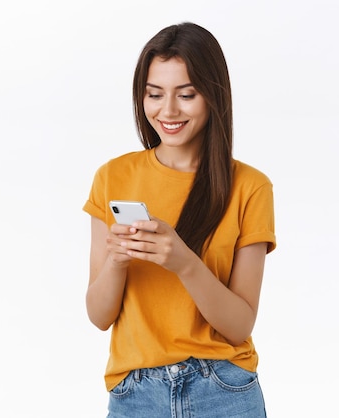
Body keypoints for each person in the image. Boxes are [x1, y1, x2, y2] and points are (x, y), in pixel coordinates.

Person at [83, 22, 276, 417]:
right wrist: (118, 261)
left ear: (213, 95)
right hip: (135, 395)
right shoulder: (112, 177)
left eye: (186, 95)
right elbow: (99, 316)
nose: (168, 111)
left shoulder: (250, 187)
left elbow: (240, 325)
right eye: (154, 94)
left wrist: (184, 262)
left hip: (224, 389)